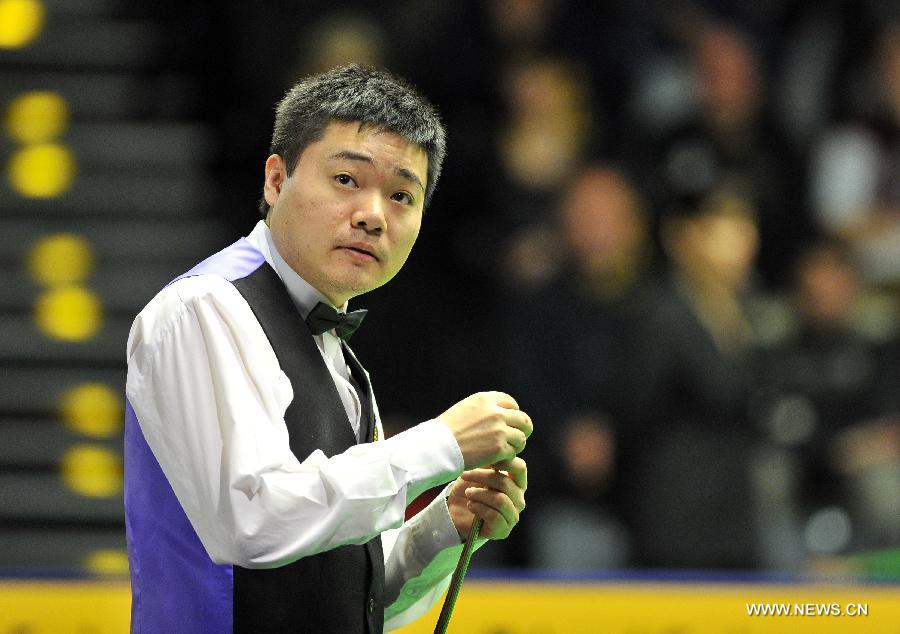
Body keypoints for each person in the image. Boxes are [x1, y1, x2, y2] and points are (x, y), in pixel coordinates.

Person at [124, 64, 532, 633]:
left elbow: (355, 598)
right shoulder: (204, 309)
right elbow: (254, 522)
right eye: (346, 179)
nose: (372, 215)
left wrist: (446, 525)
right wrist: (440, 443)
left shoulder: (341, 361)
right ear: (275, 180)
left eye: (401, 196)